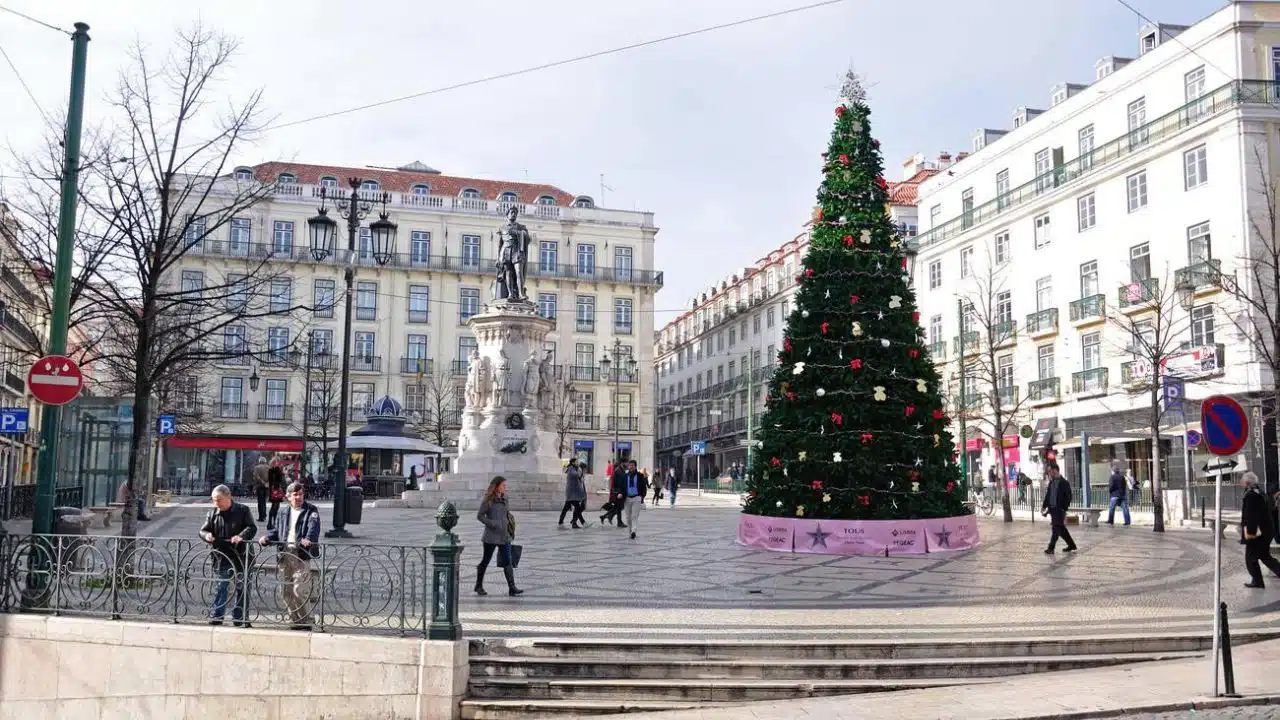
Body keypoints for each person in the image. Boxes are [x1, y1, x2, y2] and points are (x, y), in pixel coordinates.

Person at [259, 481, 321, 629]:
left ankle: (306, 620)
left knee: (299, 590)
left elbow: (313, 528)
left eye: (300, 494)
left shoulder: (311, 510)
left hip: (301, 554)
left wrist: (309, 539)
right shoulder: (283, 512)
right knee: (285, 591)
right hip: (284, 554)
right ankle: (295, 620)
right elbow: (277, 531)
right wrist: (267, 538)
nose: (298, 497)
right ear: (288, 496)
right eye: (295, 495)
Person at [200, 484, 257, 626]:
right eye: (214, 500)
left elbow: (252, 527)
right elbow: (203, 530)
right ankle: (217, 615)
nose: (216, 503)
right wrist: (206, 535)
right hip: (222, 556)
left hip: (241, 555)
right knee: (221, 586)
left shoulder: (243, 510)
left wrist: (241, 536)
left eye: (219, 499)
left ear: (228, 496)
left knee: (242, 587)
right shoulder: (212, 513)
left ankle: (240, 617)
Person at [475, 476, 523, 596]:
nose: (505, 488)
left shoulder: (505, 498)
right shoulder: (488, 500)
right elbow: (480, 516)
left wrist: (510, 523)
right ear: (496, 486)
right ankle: (478, 585)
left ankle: (512, 587)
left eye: (505, 485)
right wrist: (492, 523)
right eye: (503, 485)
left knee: (508, 561)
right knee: (486, 560)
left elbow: (506, 513)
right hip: (491, 536)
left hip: (504, 535)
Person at [1239, 471, 1280, 589]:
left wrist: (1250, 534)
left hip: (1258, 533)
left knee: (1250, 558)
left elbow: (1251, 516)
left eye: (1242, 480)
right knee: (1264, 555)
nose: (1240, 482)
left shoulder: (1251, 496)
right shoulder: (1260, 493)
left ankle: (1257, 581)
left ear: (1247, 483)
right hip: (1266, 531)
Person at [1040, 462, 1076, 554]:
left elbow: (1068, 496)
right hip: (1052, 509)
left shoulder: (1064, 483)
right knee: (1061, 528)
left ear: (1054, 470)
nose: (1048, 473)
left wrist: (1063, 508)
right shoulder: (1051, 482)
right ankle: (1071, 545)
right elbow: (1048, 495)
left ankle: (1051, 548)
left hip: (1059, 509)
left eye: (1049, 471)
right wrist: (1044, 506)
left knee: (1055, 528)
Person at [612, 459, 647, 540]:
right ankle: (630, 531)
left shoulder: (640, 476)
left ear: (635, 466)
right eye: (629, 465)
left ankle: (634, 531)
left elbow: (643, 487)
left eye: (632, 465)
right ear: (628, 466)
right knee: (628, 517)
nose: (631, 467)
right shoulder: (625, 476)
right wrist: (619, 493)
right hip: (627, 498)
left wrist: (642, 496)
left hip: (636, 498)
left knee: (634, 516)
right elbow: (622, 487)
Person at [559, 459, 587, 529]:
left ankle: (561, 521)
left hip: (573, 493)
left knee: (566, 508)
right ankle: (581, 523)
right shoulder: (571, 469)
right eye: (576, 462)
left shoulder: (574, 469)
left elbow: (580, 479)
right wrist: (580, 471)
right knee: (577, 508)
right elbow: (575, 475)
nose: (578, 463)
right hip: (572, 493)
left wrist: (580, 472)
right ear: (573, 462)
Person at [1106, 460, 1130, 526]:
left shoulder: (1112, 477)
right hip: (1122, 495)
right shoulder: (1122, 477)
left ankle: (1111, 521)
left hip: (1114, 495)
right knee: (1125, 509)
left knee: (1112, 508)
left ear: (1113, 471)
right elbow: (1124, 485)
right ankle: (1127, 522)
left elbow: (1111, 486)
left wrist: (1110, 492)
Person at [267, 458, 285, 530]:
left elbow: (270, 480)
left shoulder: (270, 470)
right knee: (275, 507)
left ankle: (270, 523)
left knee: (273, 506)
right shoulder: (278, 470)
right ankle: (273, 523)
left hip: (272, 490)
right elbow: (280, 480)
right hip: (276, 489)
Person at [252, 456, 270, 522]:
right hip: (266, 487)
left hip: (259, 486)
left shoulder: (256, 468)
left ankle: (261, 517)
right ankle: (264, 516)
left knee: (260, 502)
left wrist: (262, 482)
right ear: (265, 461)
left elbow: (256, 477)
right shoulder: (269, 468)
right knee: (264, 502)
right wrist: (267, 483)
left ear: (259, 461)